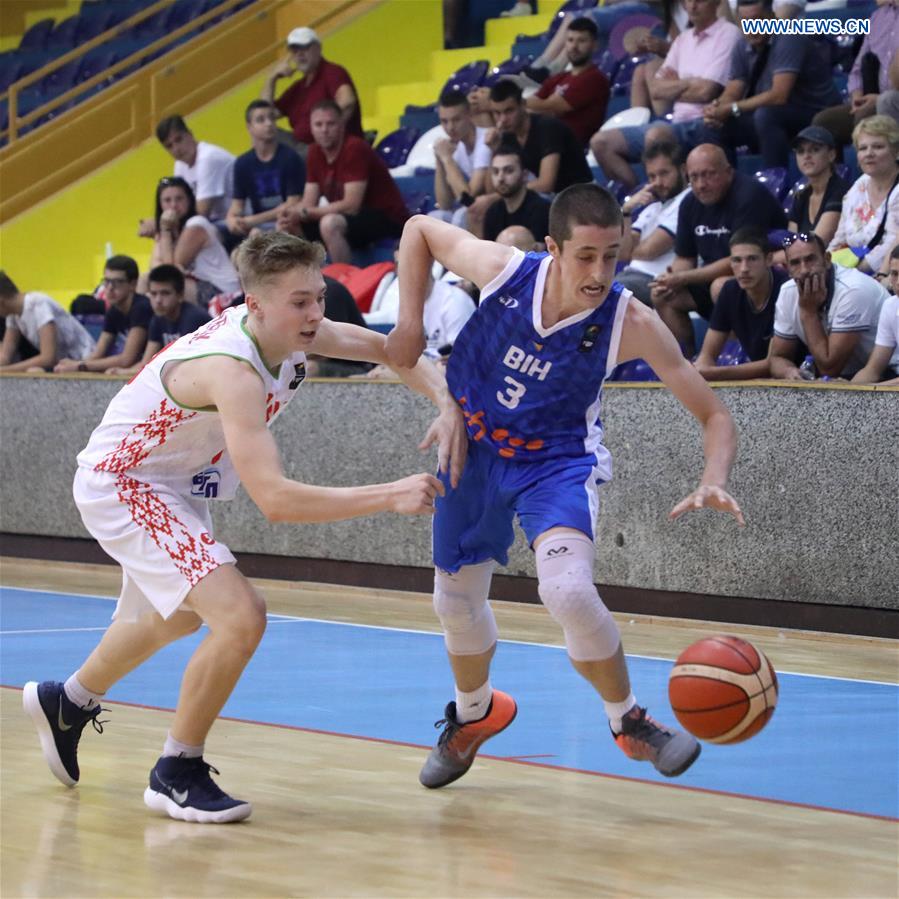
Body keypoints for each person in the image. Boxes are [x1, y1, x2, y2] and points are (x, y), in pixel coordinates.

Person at [23, 231, 466, 824]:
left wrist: (445, 403)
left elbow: (394, 351)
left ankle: (67, 702)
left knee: (181, 613)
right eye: (299, 303)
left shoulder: (294, 333)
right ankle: (175, 769)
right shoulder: (232, 370)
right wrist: (390, 493)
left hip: (173, 484)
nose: (315, 314)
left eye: (318, 297)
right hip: (124, 482)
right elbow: (277, 501)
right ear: (254, 304)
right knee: (241, 615)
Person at [385, 184, 745, 790]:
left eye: (612, 255)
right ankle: (474, 716)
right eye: (585, 256)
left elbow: (715, 413)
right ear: (552, 248)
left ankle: (627, 719)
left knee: (570, 591)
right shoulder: (502, 271)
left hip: (555, 464)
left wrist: (713, 478)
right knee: (454, 604)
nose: (600, 272)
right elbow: (419, 226)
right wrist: (410, 321)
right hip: (471, 450)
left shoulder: (628, 320)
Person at [650, 144, 787, 354]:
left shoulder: (748, 196)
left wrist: (684, 277)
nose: (700, 185)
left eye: (708, 175)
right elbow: (684, 257)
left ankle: (738, 356)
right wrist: (672, 278)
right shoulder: (689, 203)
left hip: (758, 274)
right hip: (716, 276)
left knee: (723, 288)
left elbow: (740, 260)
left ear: (728, 172)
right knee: (662, 295)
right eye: (693, 177)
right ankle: (685, 361)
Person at [590, 0, 741, 189]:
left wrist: (674, 86)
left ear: (716, 3)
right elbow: (655, 90)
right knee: (601, 142)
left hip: (705, 121)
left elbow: (707, 92)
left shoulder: (728, 33)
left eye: (700, 1)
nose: (692, 6)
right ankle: (639, 196)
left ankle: (667, 197)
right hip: (675, 122)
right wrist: (690, 82)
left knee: (656, 135)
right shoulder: (682, 40)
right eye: (688, 1)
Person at [697, 0, 842, 169]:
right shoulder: (741, 45)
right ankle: (725, 184)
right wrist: (717, 109)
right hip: (775, 117)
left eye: (758, 20)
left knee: (766, 115)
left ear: (772, 17)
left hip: (816, 114)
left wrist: (731, 108)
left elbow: (779, 95)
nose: (753, 28)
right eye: (746, 22)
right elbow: (734, 89)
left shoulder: (789, 37)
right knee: (713, 126)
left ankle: (775, 178)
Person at [281, 100, 409, 263]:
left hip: (385, 218)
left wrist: (307, 212)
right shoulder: (314, 151)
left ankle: (344, 279)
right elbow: (308, 202)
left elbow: (351, 205)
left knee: (330, 223)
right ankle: (308, 277)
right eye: (318, 125)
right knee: (287, 225)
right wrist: (291, 213)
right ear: (311, 128)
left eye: (330, 124)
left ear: (342, 124)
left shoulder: (354, 148)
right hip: (352, 219)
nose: (324, 130)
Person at [770, 232, 887, 379]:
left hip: (890, 374)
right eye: (795, 263)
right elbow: (777, 358)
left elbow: (829, 369)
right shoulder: (787, 292)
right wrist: (789, 372)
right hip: (852, 377)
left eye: (810, 259)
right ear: (788, 269)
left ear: (827, 260)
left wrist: (808, 312)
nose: (804, 270)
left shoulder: (853, 290)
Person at [693, 227, 786, 379]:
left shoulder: (785, 290)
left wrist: (714, 373)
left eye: (752, 259)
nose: (744, 269)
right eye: (737, 260)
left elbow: (773, 363)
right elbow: (707, 355)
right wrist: (701, 369)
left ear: (769, 259)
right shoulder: (730, 290)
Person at [262, 26, 363, 156]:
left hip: (327, 151)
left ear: (318, 48)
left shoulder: (333, 72)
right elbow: (263, 115)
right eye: (294, 50)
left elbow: (347, 102)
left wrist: (324, 136)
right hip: (302, 150)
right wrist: (271, 79)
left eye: (305, 48)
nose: (299, 54)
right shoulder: (299, 87)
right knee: (262, 130)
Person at [813, 0, 899, 148]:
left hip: (891, 98)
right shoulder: (877, 17)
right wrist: (857, 97)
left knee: (882, 104)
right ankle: (837, 171)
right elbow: (857, 69)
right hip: (873, 98)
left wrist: (877, 100)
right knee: (824, 122)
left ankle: (880, 167)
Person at [147, 177, 241, 306]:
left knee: (171, 290)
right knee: (146, 283)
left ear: (189, 200)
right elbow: (155, 271)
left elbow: (169, 274)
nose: (173, 205)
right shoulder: (167, 231)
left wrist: (165, 230)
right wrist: (164, 232)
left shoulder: (196, 224)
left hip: (224, 292)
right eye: (167, 200)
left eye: (179, 199)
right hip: (199, 284)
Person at [487, 80, 593, 195]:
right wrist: (494, 149)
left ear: (523, 105)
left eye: (509, 111)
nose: (502, 119)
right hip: (551, 198)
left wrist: (498, 197)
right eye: (497, 113)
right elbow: (493, 189)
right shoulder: (507, 136)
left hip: (581, 194)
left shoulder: (547, 128)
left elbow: (546, 185)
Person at [616, 141, 689, 305]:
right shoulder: (652, 207)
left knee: (609, 293)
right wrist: (626, 211)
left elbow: (649, 250)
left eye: (664, 173)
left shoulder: (688, 201)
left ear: (683, 170)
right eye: (652, 176)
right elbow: (621, 252)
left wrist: (631, 248)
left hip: (656, 281)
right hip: (630, 276)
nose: (657, 182)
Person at [827, 116, 899, 280]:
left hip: (884, 275)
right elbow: (840, 237)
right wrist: (826, 264)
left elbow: (893, 242)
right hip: (849, 273)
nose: (869, 154)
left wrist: (853, 273)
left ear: (896, 151)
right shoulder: (858, 187)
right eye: (862, 148)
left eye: (878, 147)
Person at [55, 256, 152, 374]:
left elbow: (127, 359)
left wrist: (80, 366)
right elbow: (97, 353)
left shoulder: (142, 307)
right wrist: (74, 365)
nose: (110, 288)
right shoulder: (114, 310)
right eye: (107, 281)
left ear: (133, 284)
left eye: (117, 282)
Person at [108, 266, 210, 376]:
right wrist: (120, 372)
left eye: (165, 293)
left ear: (180, 295)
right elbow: (147, 363)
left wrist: (125, 371)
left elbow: (180, 364)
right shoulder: (157, 319)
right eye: (153, 294)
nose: (158, 300)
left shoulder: (193, 318)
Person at [226, 100, 305, 239]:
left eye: (271, 118)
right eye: (261, 120)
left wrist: (252, 220)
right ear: (249, 127)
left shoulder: (291, 157)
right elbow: (237, 205)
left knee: (261, 234)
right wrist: (231, 218)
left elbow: (292, 203)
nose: (268, 123)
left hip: (289, 222)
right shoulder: (242, 164)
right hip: (260, 226)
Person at [525, 17, 609, 147]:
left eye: (581, 41)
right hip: (548, 140)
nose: (574, 47)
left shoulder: (594, 78)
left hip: (570, 146)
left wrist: (543, 105)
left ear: (595, 45)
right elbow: (534, 104)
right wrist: (543, 106)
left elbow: (550, 105)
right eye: (570, 40)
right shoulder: (559, 78)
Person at [146, 116, 235, 230]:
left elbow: (202, 213)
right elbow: (181, 205)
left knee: (189, 231)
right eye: (169, 146)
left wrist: (159, 224)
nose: (176, 149)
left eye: (179, 140)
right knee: (166, 234)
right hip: (218, 221)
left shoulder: (208, 158)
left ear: (190, 134)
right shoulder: (180, 164)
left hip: (238, 219)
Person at [0, 272, 95, 372]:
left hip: (83, 361)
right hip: (62, 366)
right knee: (34, 370)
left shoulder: (38, 304)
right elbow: (5, 356)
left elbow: (48, 358)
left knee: (34, 371)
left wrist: (5, 370)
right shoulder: (13, 314)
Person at [430, 90, 491, 229]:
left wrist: (446, 159)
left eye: (456, 120)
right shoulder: (456, 148)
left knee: (461, 216)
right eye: (444, 121)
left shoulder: (485, 141)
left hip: (498, 205)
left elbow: (468, 198)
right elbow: (444, 203)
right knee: (437, 217)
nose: (450, 127)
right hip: (478, 209)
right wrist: (439, 161)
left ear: (469, 115)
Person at [786, 126, 849, 249]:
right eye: (800, 151)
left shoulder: (841, 191)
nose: (807, 156)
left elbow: (816, 244)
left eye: (815, 150)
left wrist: (770, 259)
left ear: (831, 155)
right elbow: (789, 243)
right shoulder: (801, 196)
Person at [482, 143, 551, 243]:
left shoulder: (542, 210)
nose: (500, 178)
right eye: (496, 172)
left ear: (525, 175)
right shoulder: (492, 212)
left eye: (509, 171)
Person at [852, 245, 899, 385]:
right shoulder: (890, 306)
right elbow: (872, 370)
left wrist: (873, 389)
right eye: (895, 274)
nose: (898, 282)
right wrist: (846, 391)